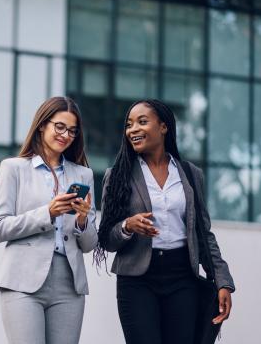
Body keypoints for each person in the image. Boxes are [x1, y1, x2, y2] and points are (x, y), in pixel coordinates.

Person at [94, 99, 235, 344]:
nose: (133, 129)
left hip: (182, 278)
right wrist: (128, 226)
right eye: (129, 124)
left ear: (163, 127)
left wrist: (223, 281)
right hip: (137, 282)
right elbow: (106, 239)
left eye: (142, 121)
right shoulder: (117, 176)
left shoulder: (191, 174)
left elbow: (203, 234)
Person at [0, 96, 98, 344]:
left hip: (69, 284)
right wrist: (47, 213)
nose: (66, 134)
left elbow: (90, 245)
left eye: (72, 130)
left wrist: (82, 220)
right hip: (22, 281)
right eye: (59, 126)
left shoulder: (83, 174)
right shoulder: (13, 168)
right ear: (42, 125)